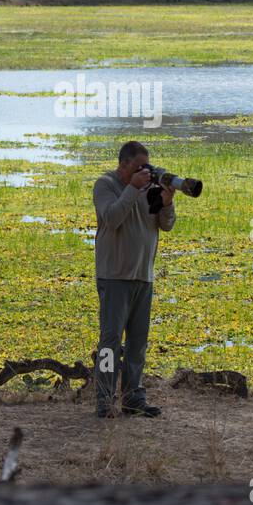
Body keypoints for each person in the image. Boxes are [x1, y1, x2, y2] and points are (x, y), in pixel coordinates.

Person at [92, 140, 176, 418]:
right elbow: (111, 218)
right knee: (110, 341)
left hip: (143, 276)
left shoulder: (147, 189)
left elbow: (166, 225)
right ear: (123, 164)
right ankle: (104, 399)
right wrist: (132, 188)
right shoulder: (105, 184)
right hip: (114, 276)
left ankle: (132, 397)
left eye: (146, 167)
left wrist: (167, 202)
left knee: (138, 341)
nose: (145, 172)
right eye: (139, 167)